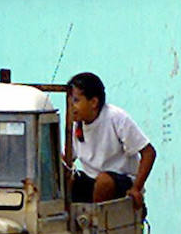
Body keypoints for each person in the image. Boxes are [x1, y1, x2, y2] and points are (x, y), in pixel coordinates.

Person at [66, 72, 157, 208]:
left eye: (76, 101)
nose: (71, 107)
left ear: (94, 102)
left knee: (104, 182)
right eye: (69, 101)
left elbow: (149, 152)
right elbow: (66, 160)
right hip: (92, 181)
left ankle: (97, 223)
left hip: (119, 181)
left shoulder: (116, 118)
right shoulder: (75, 124)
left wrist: (137, 188)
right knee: (65, 179)